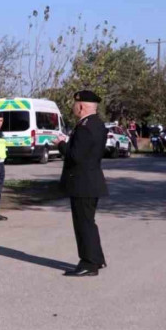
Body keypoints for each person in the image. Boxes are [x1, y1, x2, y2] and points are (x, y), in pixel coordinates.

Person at [54, 90, 109, 277]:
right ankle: (96, 259)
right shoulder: (97, 124)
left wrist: (61, 145)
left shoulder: (86, 127)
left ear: (81, 106)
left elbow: (76, 156)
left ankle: (88, 263)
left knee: (83, 224)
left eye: (74, 104)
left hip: (83, 183)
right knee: (88, 223)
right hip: (89, 181)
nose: (73, 107)